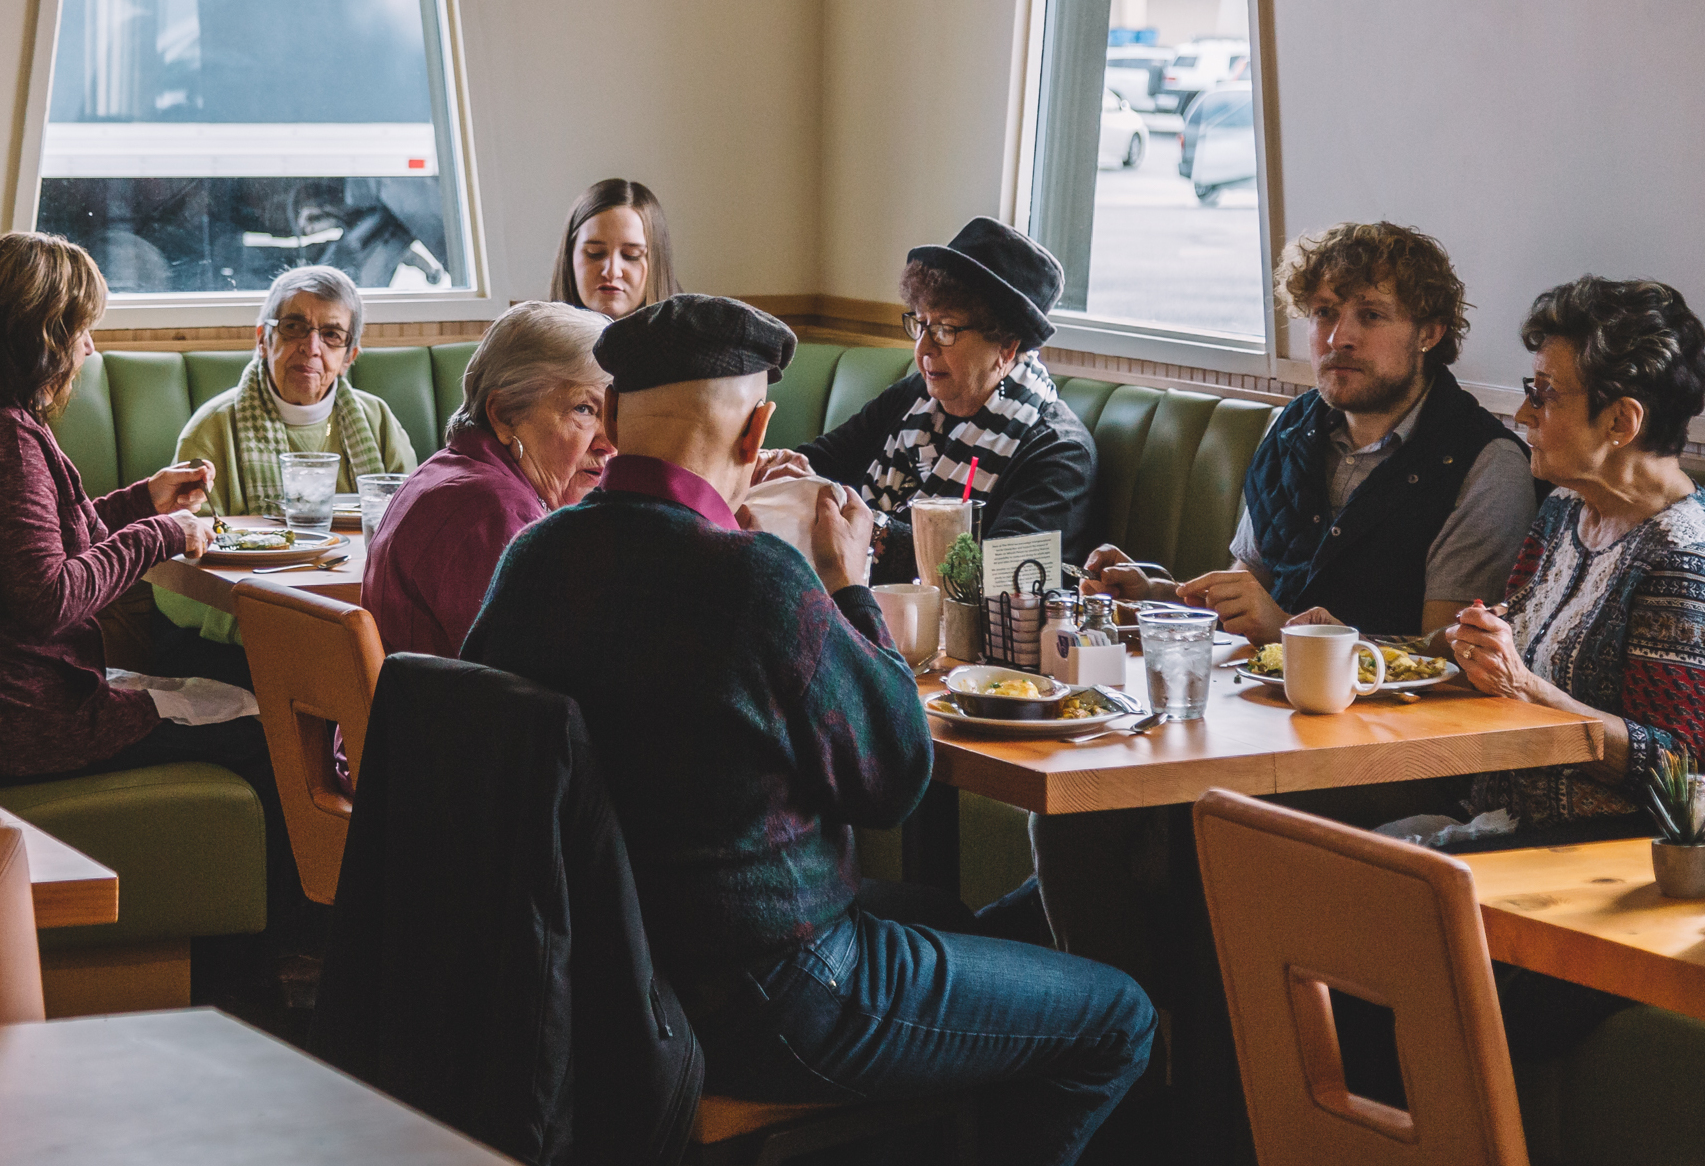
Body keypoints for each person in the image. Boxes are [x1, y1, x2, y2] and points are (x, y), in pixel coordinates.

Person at [464, 296, 1154, 1166]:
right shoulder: (758, 581)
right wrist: (847, 584)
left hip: (604, 974)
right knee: (1117, 1015)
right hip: (774, 994)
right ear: (757, 433)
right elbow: (896, 778)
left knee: (947, 916)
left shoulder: (535, 557)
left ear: (607, 417)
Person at [0, 232, 314, 951]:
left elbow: (49, 539)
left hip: (3, 700)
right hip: (26, 719)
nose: (90, 351)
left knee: (242, 709)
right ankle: (266, 964)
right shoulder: (1, 439)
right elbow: (51, 594)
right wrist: (163, 535)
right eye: (81, 329)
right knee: (266, 734)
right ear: (39, 335)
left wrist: (144, 501)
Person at [1431, 276, 1705, 838]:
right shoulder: (1565, 509)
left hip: (1621, 857)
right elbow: (1506, 635)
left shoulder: (1692, 557)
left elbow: (1674, 771)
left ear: (1621, 421)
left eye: (1544, 393)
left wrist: (1525, 689)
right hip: (1499, 827)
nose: (1522, 412)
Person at [1083, 221, 1536, 641]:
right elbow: (1248, 589)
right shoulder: (1293, 427)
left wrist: (1291, 634)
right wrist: (1159, 596)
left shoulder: (1484, 464)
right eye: (1324, 312)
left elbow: (1450, 654)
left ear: (1430, 333)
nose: (1339, 337)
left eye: (1372, 315)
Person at [785, 217, 1093, 582]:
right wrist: (780, 466)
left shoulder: (1058, 452)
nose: (923, 348)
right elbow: (822, 461)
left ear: (1006, 346)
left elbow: (1005, 578)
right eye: (921, 324)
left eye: (946, 329)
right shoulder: (915, 395)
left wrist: (875, 533)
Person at [156, 266, 419, 665]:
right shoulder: (212, 429)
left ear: (349, 357)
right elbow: (175, 568)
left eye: (331, 335)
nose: (312, 347)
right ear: (264, 340)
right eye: (295, 327)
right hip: (243, 638)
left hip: (362, 625)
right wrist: (277, 631)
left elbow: (413, 536)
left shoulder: (379, 420)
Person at [359, 301, 610, 659]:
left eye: (613, 415)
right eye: (583, 409)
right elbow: (540, 678)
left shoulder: (458, 473)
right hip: (445, 715)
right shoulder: (491, 513)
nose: (609, 443)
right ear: (505, 414)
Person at [547, 179, 679, 320]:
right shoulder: (530, 337)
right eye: (594, 253)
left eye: (631, 255)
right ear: (569, 256)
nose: (612, 272)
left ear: (656, 262)